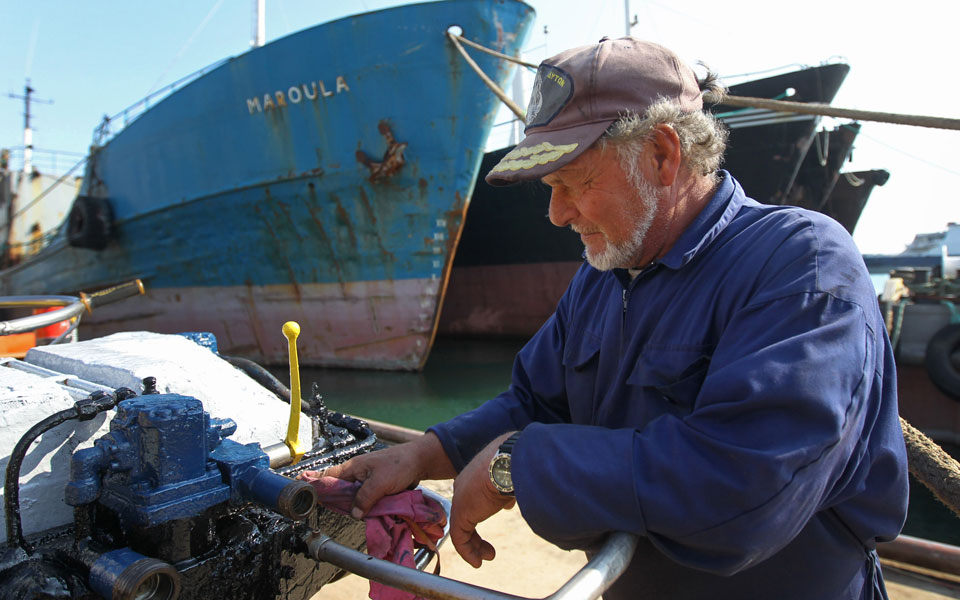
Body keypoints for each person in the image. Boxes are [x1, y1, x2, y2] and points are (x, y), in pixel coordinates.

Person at [324, 37, 909, 599]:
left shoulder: (804, 262)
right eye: (549, 187)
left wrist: (515, 464)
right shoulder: (604, 276)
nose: (556, 214)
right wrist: (421, 456)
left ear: (662, 155)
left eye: (573, 182)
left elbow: (746, 490)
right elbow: (535, 402)